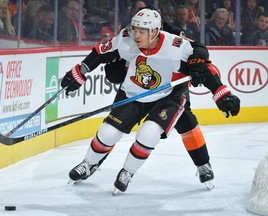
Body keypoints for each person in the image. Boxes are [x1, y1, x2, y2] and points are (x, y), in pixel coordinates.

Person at [60, 7, 236, 194]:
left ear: (155, 30)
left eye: (141, 30)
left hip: (168, 94)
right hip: (135, 92)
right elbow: (101, 52)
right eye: (135, 28)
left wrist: (221, 93)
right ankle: (89, 164)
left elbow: (203, 62)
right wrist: (80, 72)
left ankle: (130, 171)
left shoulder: (175, 43)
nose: (136, 34)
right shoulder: (127, 37)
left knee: (159, 130)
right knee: (108, 132)